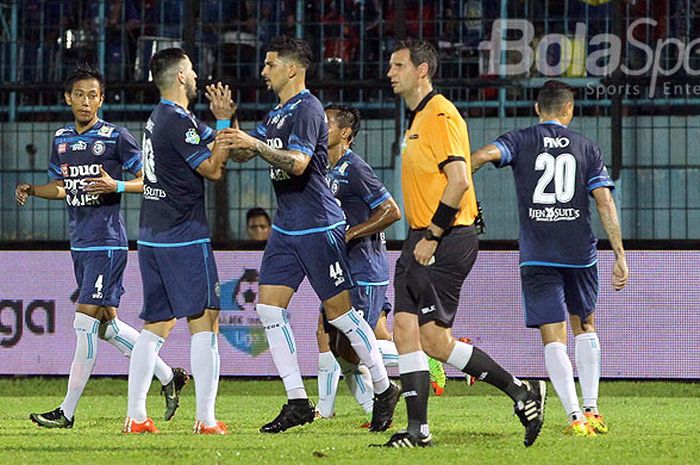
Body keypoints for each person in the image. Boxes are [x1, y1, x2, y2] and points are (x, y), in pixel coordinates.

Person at [226, 36, 401, 433]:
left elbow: (300, 164)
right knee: (269, 309)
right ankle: (297, 400)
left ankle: (383, 385)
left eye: (270, 64)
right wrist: (227, 124)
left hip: (319, 225)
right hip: (287, 226)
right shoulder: (276, 115)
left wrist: (253, 143)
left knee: (341, 317)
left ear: (291, 69)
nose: (263, 71)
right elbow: (241, 152)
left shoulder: (308, 109)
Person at [381, 39, 546, 448]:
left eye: (398, 65)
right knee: (408, 331)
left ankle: (522, 390)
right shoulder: (417, 119)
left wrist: (433, 235)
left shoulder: (440, 114)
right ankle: (417, 430)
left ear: (422, 71)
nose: (390, 72)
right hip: (420, 237)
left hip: (445, 237)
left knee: (434, 339)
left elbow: (459, 181)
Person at [15, 66, 188, 429]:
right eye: (79, 94)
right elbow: (62, 187)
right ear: (68, 98)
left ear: (102, 99)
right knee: (107, 325)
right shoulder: (61, 139)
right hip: (80, 243)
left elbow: (150, 181)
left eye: (93, 95)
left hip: (107, 243)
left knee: (83, 322)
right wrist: (33, 190)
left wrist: (117, 186)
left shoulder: (116, 137)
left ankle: (66, 411)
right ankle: (169, 377)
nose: (86, 101)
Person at [471, 80, 628, 437]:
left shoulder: (520, 139)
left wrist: (458, 195)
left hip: (538, 253)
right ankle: (593, 410)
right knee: (585, 326)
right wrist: (620, 255)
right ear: (569, 110)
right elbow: (604, 202)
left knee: (553, 336)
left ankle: (573, 416)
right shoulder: (586, 147)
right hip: (579, 252)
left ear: (538, 109)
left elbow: (479, 157)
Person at [123, 48, 236, 435]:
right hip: (183, 236)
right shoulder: (177, 121)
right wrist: (222, 119)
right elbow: (214, 169)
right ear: (180, 77)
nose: (195, 74)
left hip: (152, 235)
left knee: (156, 324)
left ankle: (136, 416)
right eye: (190, 69)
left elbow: (224, 147)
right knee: (205, 319)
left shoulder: (163, 117)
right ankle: (205, 420)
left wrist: (226, 129)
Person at [314, 104, 402, 423]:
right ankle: (348, 410)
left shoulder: (356, 168)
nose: (318, 127)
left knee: (350, 343)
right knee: (329, 338)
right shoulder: (322, 165)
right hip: (341, 267)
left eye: (325, 123)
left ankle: (427, 357)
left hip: (365, 267)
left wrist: (353, 232)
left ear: (345, 132)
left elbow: (392, 212)